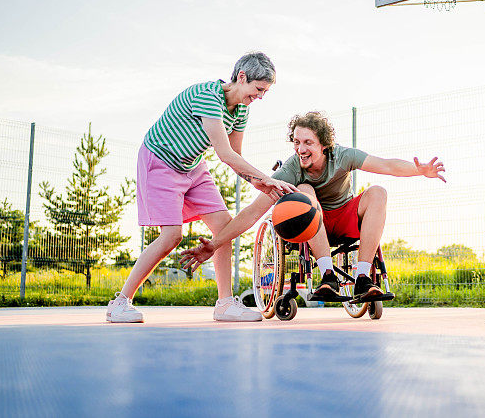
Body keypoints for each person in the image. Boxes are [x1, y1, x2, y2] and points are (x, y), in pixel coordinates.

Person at [107, 52, 297, 323]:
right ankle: (120, 302)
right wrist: (268, 179)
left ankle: (224, 304)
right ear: (241, 77)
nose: (260, 97)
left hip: (192, 165)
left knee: (224, 228)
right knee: (171, 236)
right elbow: (224, 154)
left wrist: (262, 185)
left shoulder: (241, 110)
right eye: (258, 89)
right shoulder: (207, 95)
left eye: (265, 92)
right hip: (160, 160)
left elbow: (237, 158)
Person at [180, 111, 445, 303]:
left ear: (324, 144)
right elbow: (252, 212)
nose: (300, 149)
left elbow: (386, 165)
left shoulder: (343, 156)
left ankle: (363, 279)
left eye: (308, 143)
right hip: (309, 224)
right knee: (304, 191)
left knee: (377, 192)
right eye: (296, 142)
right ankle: (327, 275)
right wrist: (215, 244)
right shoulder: (291, 169)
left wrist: (419, 171)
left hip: (343, 218)